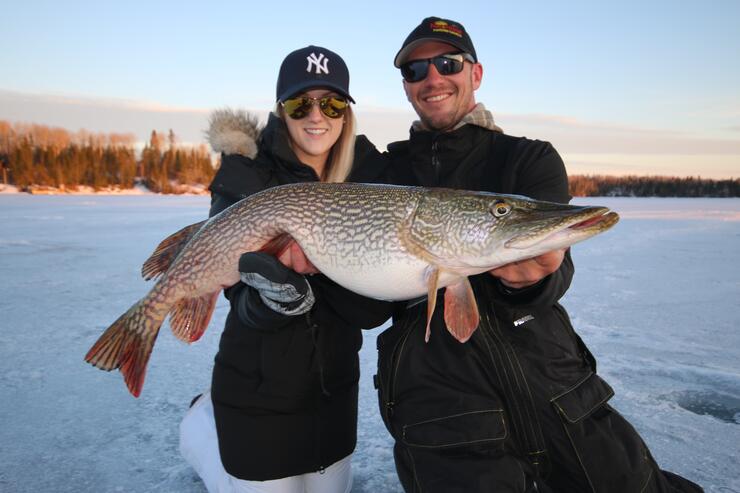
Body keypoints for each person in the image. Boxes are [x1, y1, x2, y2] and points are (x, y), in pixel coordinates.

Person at [372, 17, 704, 492]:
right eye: (415, 70)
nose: (433, 78)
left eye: (448, 62)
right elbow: (365, 299)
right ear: (406, 87)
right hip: (440, 410)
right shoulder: (384, 170)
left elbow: (554, 265)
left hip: (554, 385)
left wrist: (534, 279)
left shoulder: (527, 157)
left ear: (476, 73)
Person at [179, 45, 391, 493]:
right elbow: (240, 295)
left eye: (332, 102)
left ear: (347, 113)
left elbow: (373, 303)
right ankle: (202, 426)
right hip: (255, 389)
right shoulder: (247, 173)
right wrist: (279, 298)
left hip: (332, 392)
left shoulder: (367, 177)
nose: (317, 116)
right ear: (283, 109)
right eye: (301, 103)